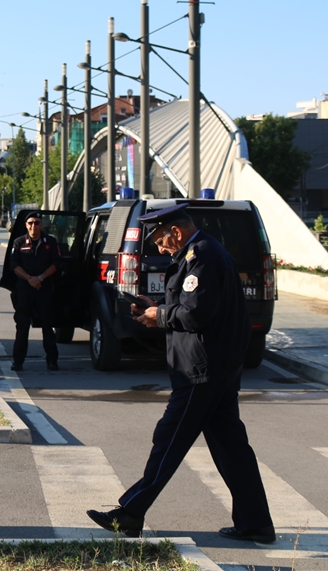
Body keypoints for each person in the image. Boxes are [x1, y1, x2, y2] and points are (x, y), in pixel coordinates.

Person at [86, 203, 275, 544]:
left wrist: (158, 316)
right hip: (215, 366)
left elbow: (195, 315)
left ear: (176, 231)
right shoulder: (199, 254)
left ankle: (130, 513)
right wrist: (153, 307)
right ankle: (255, 521)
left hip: (201, 370)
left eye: (159, 240)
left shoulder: (201, 257)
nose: (158, 248)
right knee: (232, 449)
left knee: (168, 440)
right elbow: (191, 308)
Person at [8, 210, 60, 371]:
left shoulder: (50, 242)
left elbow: (56, 264)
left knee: (47, 326)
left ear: (41, 224)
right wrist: (30, 279)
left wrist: (41, 278)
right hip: (25, 291)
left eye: (36, 223)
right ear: (26, 225)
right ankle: (18, 361)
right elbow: (14, 265)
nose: (33, 226)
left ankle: (52, 361)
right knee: (22, 327)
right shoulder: (19, 243)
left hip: (44, 290)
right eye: (30, 223)